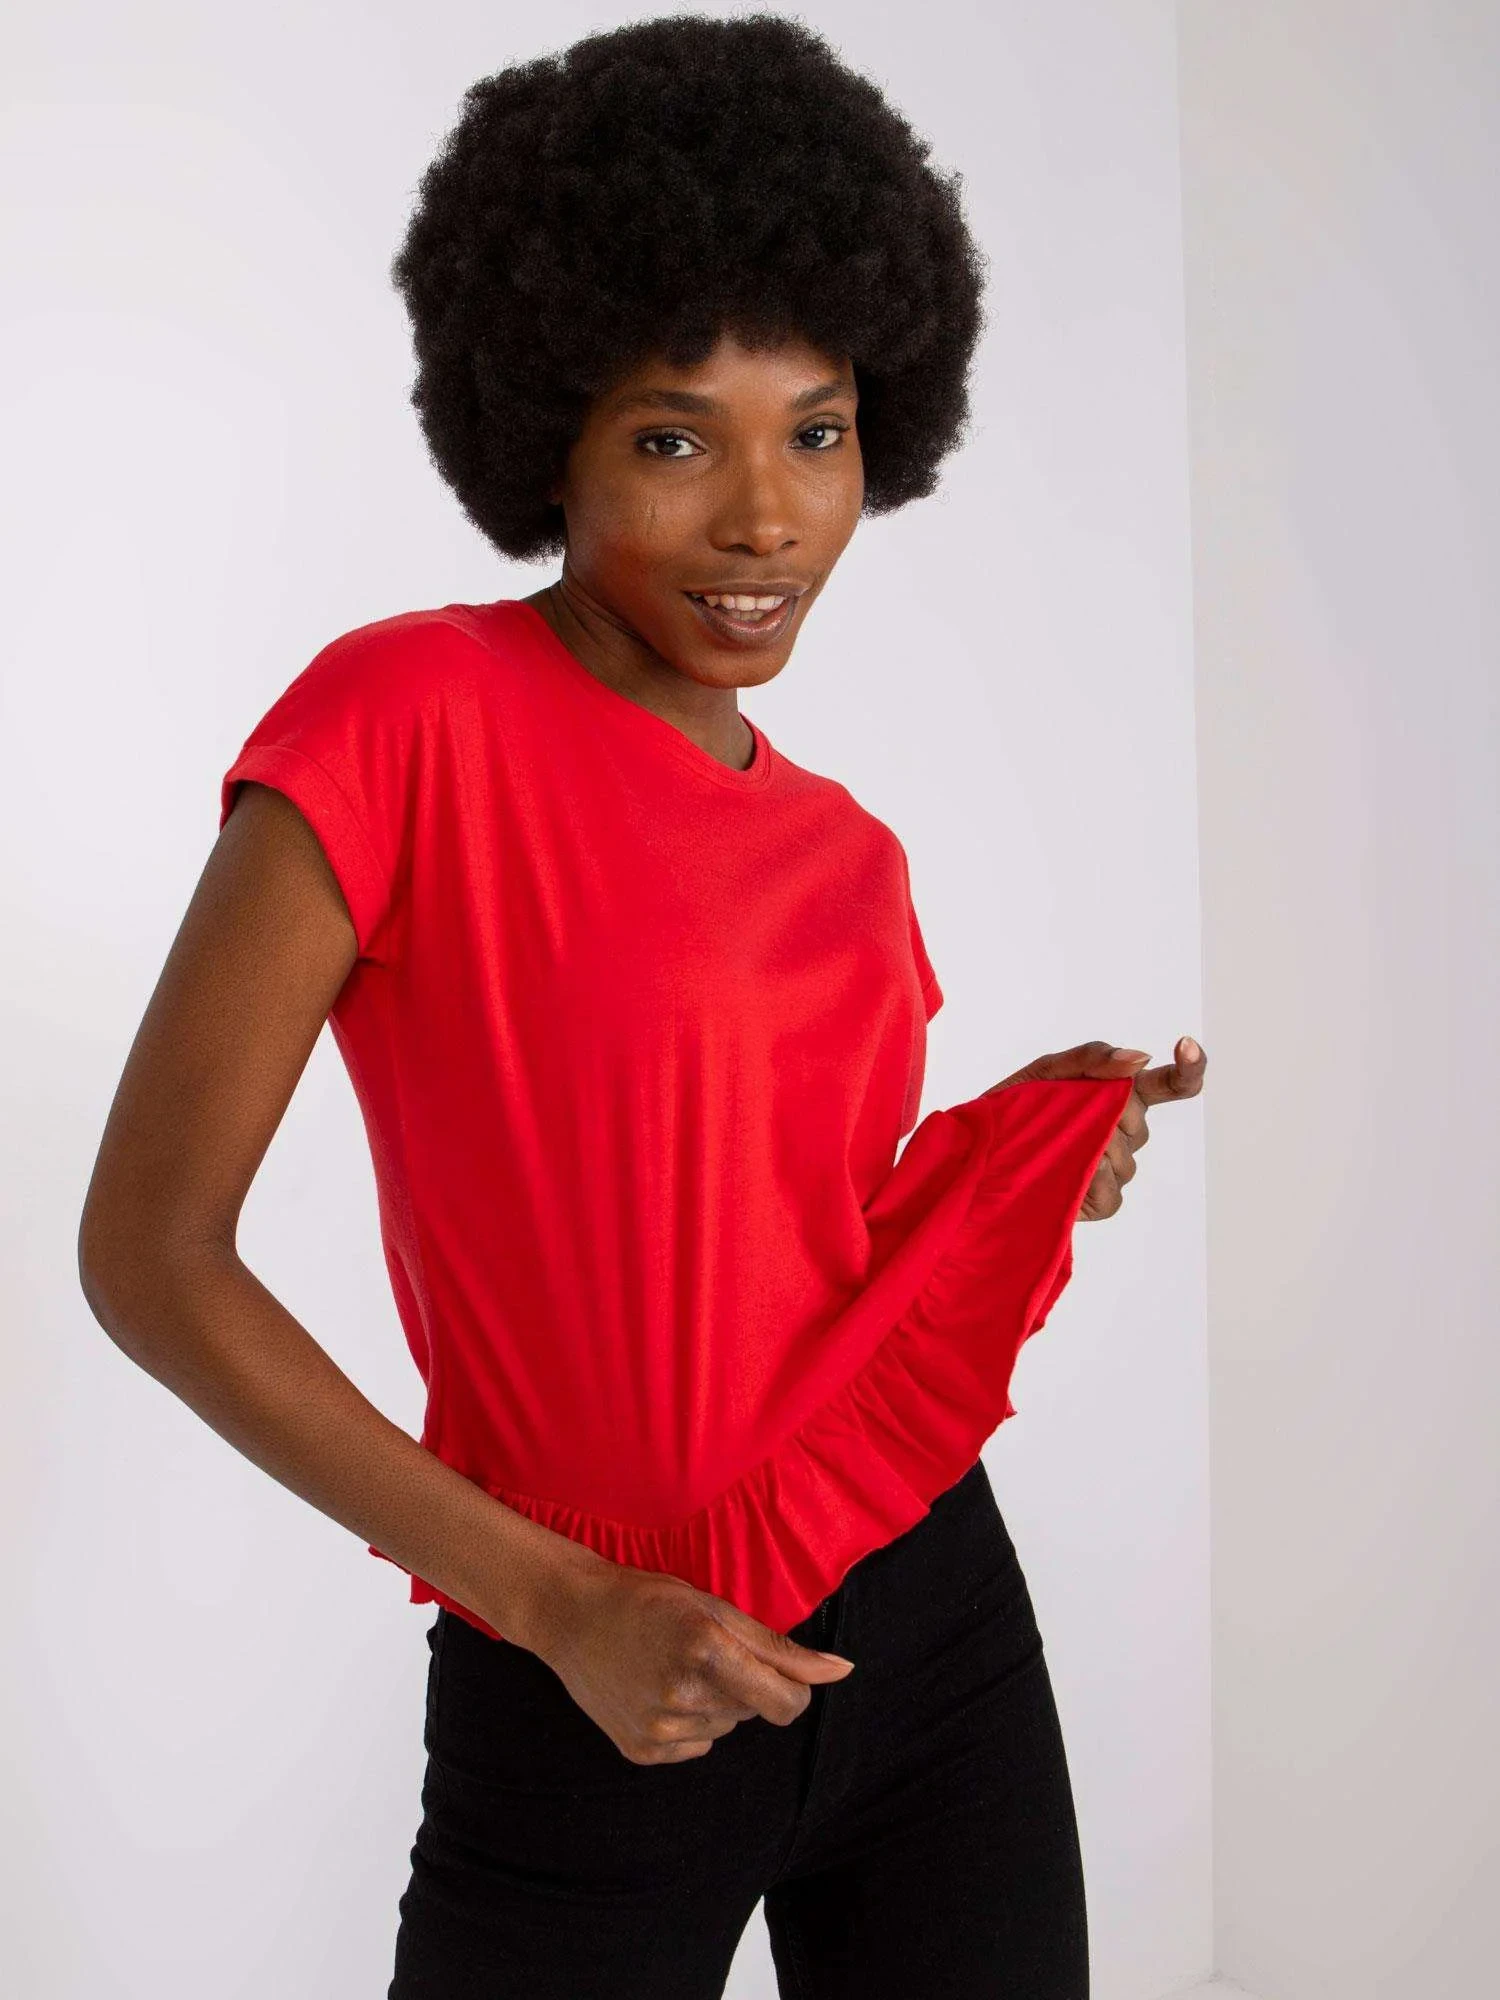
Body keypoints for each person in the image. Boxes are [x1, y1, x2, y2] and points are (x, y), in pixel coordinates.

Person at [77, 13, 1205, 1996]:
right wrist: (558, 1605)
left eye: (819, 431)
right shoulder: (406, 718)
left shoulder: (853, 854)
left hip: (934, 1637)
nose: (765, 517)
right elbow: (150, 1258)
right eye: (677, 438)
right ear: (548, 430)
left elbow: (764, 1259)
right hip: (598, 1691)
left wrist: (1025, 1148)